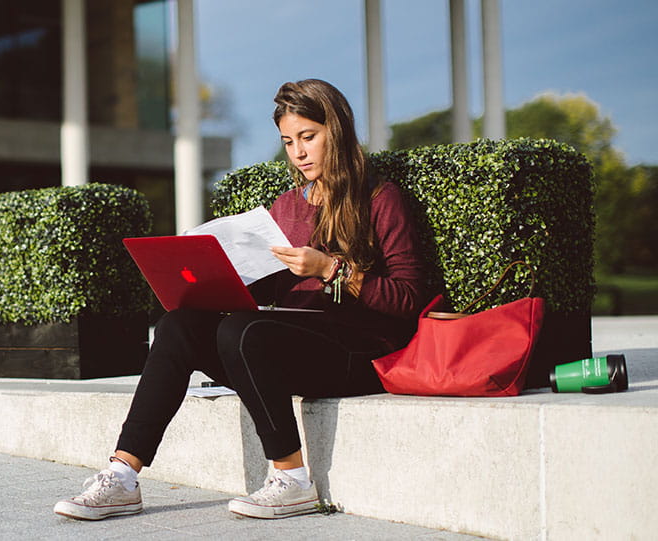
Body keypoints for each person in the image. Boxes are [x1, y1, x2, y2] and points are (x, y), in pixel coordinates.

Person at [54, 79, 427, 520]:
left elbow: (407, 300)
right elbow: (269, 292)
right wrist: (219, 279)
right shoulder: (286, 206)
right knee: (178, 326)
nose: (298, 152)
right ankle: (122, 476)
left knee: (241, 332)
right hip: (286, 342)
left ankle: (292, 480)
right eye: (289, 141)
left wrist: (330, 269)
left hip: (359, 353)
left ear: (337, 132)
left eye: (309, 137)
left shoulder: (381, 199)